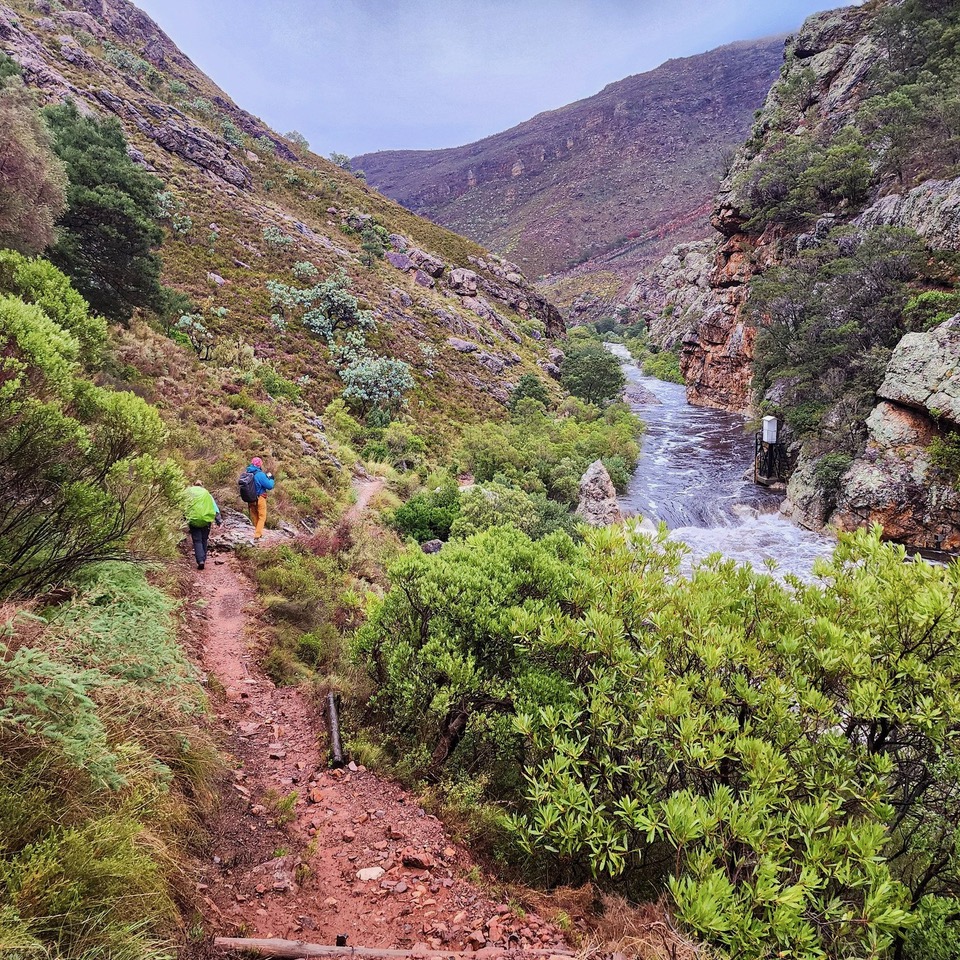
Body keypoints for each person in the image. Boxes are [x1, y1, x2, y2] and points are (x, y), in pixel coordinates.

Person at [184, 483, 222, 570]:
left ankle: (200, 560)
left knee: (197, 540)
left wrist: (184, 518)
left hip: (193, 519)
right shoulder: (206, 494)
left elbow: (184, 506)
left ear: (194, 485)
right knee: (204, 539)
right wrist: (218, 520)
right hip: (206, 520)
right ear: (202, 486)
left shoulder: (189, 494)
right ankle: (203, 559)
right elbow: (214, 507)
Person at [245, 456, 275, 540]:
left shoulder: (247, 473)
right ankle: (257, 535)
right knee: (262, 517)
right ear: (260, 464)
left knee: (255, 516)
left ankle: (258, 532)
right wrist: (271, 479)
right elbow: (269, 486)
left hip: (250, 498)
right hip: (260, 498)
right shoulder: (260, 474)